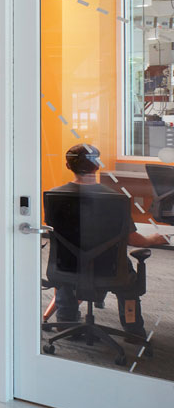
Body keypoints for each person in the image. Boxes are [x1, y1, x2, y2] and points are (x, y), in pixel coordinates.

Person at [50, 143, 166, 337]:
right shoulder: (115, 199)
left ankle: (65, 321)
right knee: (128, 279)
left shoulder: (54, 196)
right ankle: (133, 330)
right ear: (97, 166)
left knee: (66, 272)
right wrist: (152, 239)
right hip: (110, 268)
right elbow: (134, 240)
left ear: (68, 166)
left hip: (66, 266)